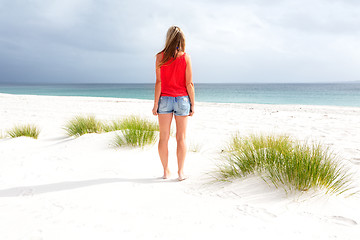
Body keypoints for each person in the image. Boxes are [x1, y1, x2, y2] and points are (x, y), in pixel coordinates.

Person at [152, 26, 195, 181]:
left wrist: (155, 104)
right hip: (182, 99)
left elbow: (158, 82)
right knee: (181, 137)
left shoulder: (159, 57)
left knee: (163, 137)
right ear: (181, 39)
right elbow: (189, 83)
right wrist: (193, 104)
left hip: (164, 99)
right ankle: (181, 172)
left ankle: (165, 171)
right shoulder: (186, 57)